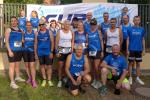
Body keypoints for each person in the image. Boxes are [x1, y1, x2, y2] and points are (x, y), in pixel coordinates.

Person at [5, 16, 25, 89]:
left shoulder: (20, 30)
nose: (13, 22)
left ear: (17, 22)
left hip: (19, 50)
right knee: (12, 66)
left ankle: (17, 77)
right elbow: (6, 42)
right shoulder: (8, 30)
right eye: (12, 21)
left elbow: (22, 40)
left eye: (14, 21)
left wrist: (23, 37)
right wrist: (10, 51)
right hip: (12, 51)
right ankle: (12, 82)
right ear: (11, 22)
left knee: (17, 65)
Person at [35, 19, 54, 87]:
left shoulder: (49, 32)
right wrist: (35, 54)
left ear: (45, 24)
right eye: (40, 25)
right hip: (40, 52)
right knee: (42, 66)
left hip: (48, 52)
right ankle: (44, 79)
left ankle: (49, 80)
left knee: (49, 66)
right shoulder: (37, 33)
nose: (41, 26)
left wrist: (51, 52)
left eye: (42, 24)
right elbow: (36, 44)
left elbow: (52, 42)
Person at [127, 16, 146, 85]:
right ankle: (130, 78)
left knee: (138, 64)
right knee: (130, 64)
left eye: (138, 20)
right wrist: (127, 49)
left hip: (139, 49)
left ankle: (137, 78)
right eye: (135, 20)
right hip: (131, 49)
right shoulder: (129, 29)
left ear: (139, 21)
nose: (136, 21)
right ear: (133, 21)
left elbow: (143, 39)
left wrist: (144, 49)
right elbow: (128, 39)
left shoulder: (142, 29)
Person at [55, 20, 74, 88]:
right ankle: (60, 80)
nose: (67, 26)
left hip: (68, 51)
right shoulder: (59, 31)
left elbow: (72, 41)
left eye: (68, 24)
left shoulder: (71, 32)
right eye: (66, 24)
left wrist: (72, 49)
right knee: (60, 66)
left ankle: (66, 78)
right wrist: (56, 52)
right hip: (61, 51)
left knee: (67, 66)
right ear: (63, 25)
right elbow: (56, 42)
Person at [87, 18, 104, 89]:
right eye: (91, 24)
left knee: (97, 67)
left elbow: (101, 41)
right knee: (93, 67)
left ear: (96, 25)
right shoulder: (88, 32)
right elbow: (87, 42)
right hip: (90, 51)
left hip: (97, 51)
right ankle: (94, 80)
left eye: (94, 24)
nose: (92, 26)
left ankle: (98, 81)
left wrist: (102, 51)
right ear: (90, 25)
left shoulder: (98, 31)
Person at [22, 21, 37, 88]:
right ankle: (30, 78)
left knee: (32, 66)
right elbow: (22, 41)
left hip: (32, 51)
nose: (28, 26)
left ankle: (33, 81)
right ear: (26, 26)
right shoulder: (24, 33)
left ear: (32, 26)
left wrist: (35, 53)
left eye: (30, 25)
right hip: (25, 51)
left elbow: (35, 43)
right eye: (27, 25)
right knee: (27, 65)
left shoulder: (34, 33)